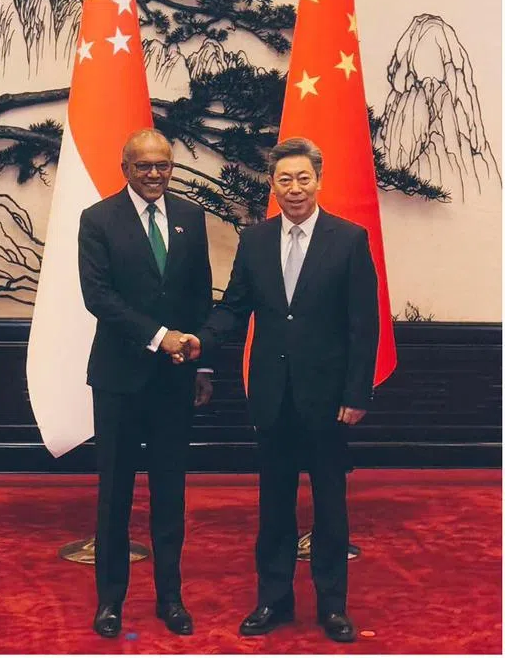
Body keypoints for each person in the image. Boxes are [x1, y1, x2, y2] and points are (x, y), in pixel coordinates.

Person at [177, 137, 378, 643]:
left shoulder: (349, 239)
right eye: (284, 180)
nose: (294, 189)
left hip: (330, 400)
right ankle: (273, 600)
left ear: (318, 180)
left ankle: (332, 607)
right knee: (274, 507)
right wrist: (201, 339)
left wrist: (357, 394)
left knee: (331, 506)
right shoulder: (256, 240)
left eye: (303, 178)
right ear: (274, 185)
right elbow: (234, 307)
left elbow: (363, 325)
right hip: (270, 396)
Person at [78, 128, 214, 638]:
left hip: (176, 380)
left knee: (170, 492)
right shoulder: (98, 220)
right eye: (144, 166)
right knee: (114, 492)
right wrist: (160, 336)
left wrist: (202, 364)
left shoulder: (189, 218)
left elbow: (200, 293)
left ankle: (169, 598)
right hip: (118, 378)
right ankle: (110, 601)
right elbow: (99, 296)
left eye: (163, 165)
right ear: (125, 168)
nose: (154, 174)